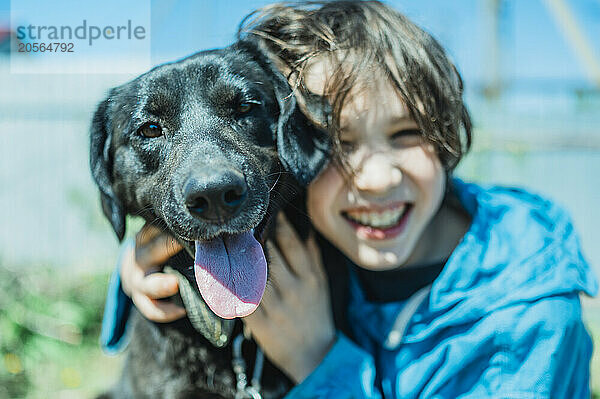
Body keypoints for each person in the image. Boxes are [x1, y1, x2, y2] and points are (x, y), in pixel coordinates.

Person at [100, 2, 598, 397]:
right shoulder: (336, 227)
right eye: (335, 140)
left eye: (407, 133)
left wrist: (317, 362)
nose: (377, 179)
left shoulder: (528, 321)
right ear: (298, 141)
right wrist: (141, 265)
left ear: (446, 134)